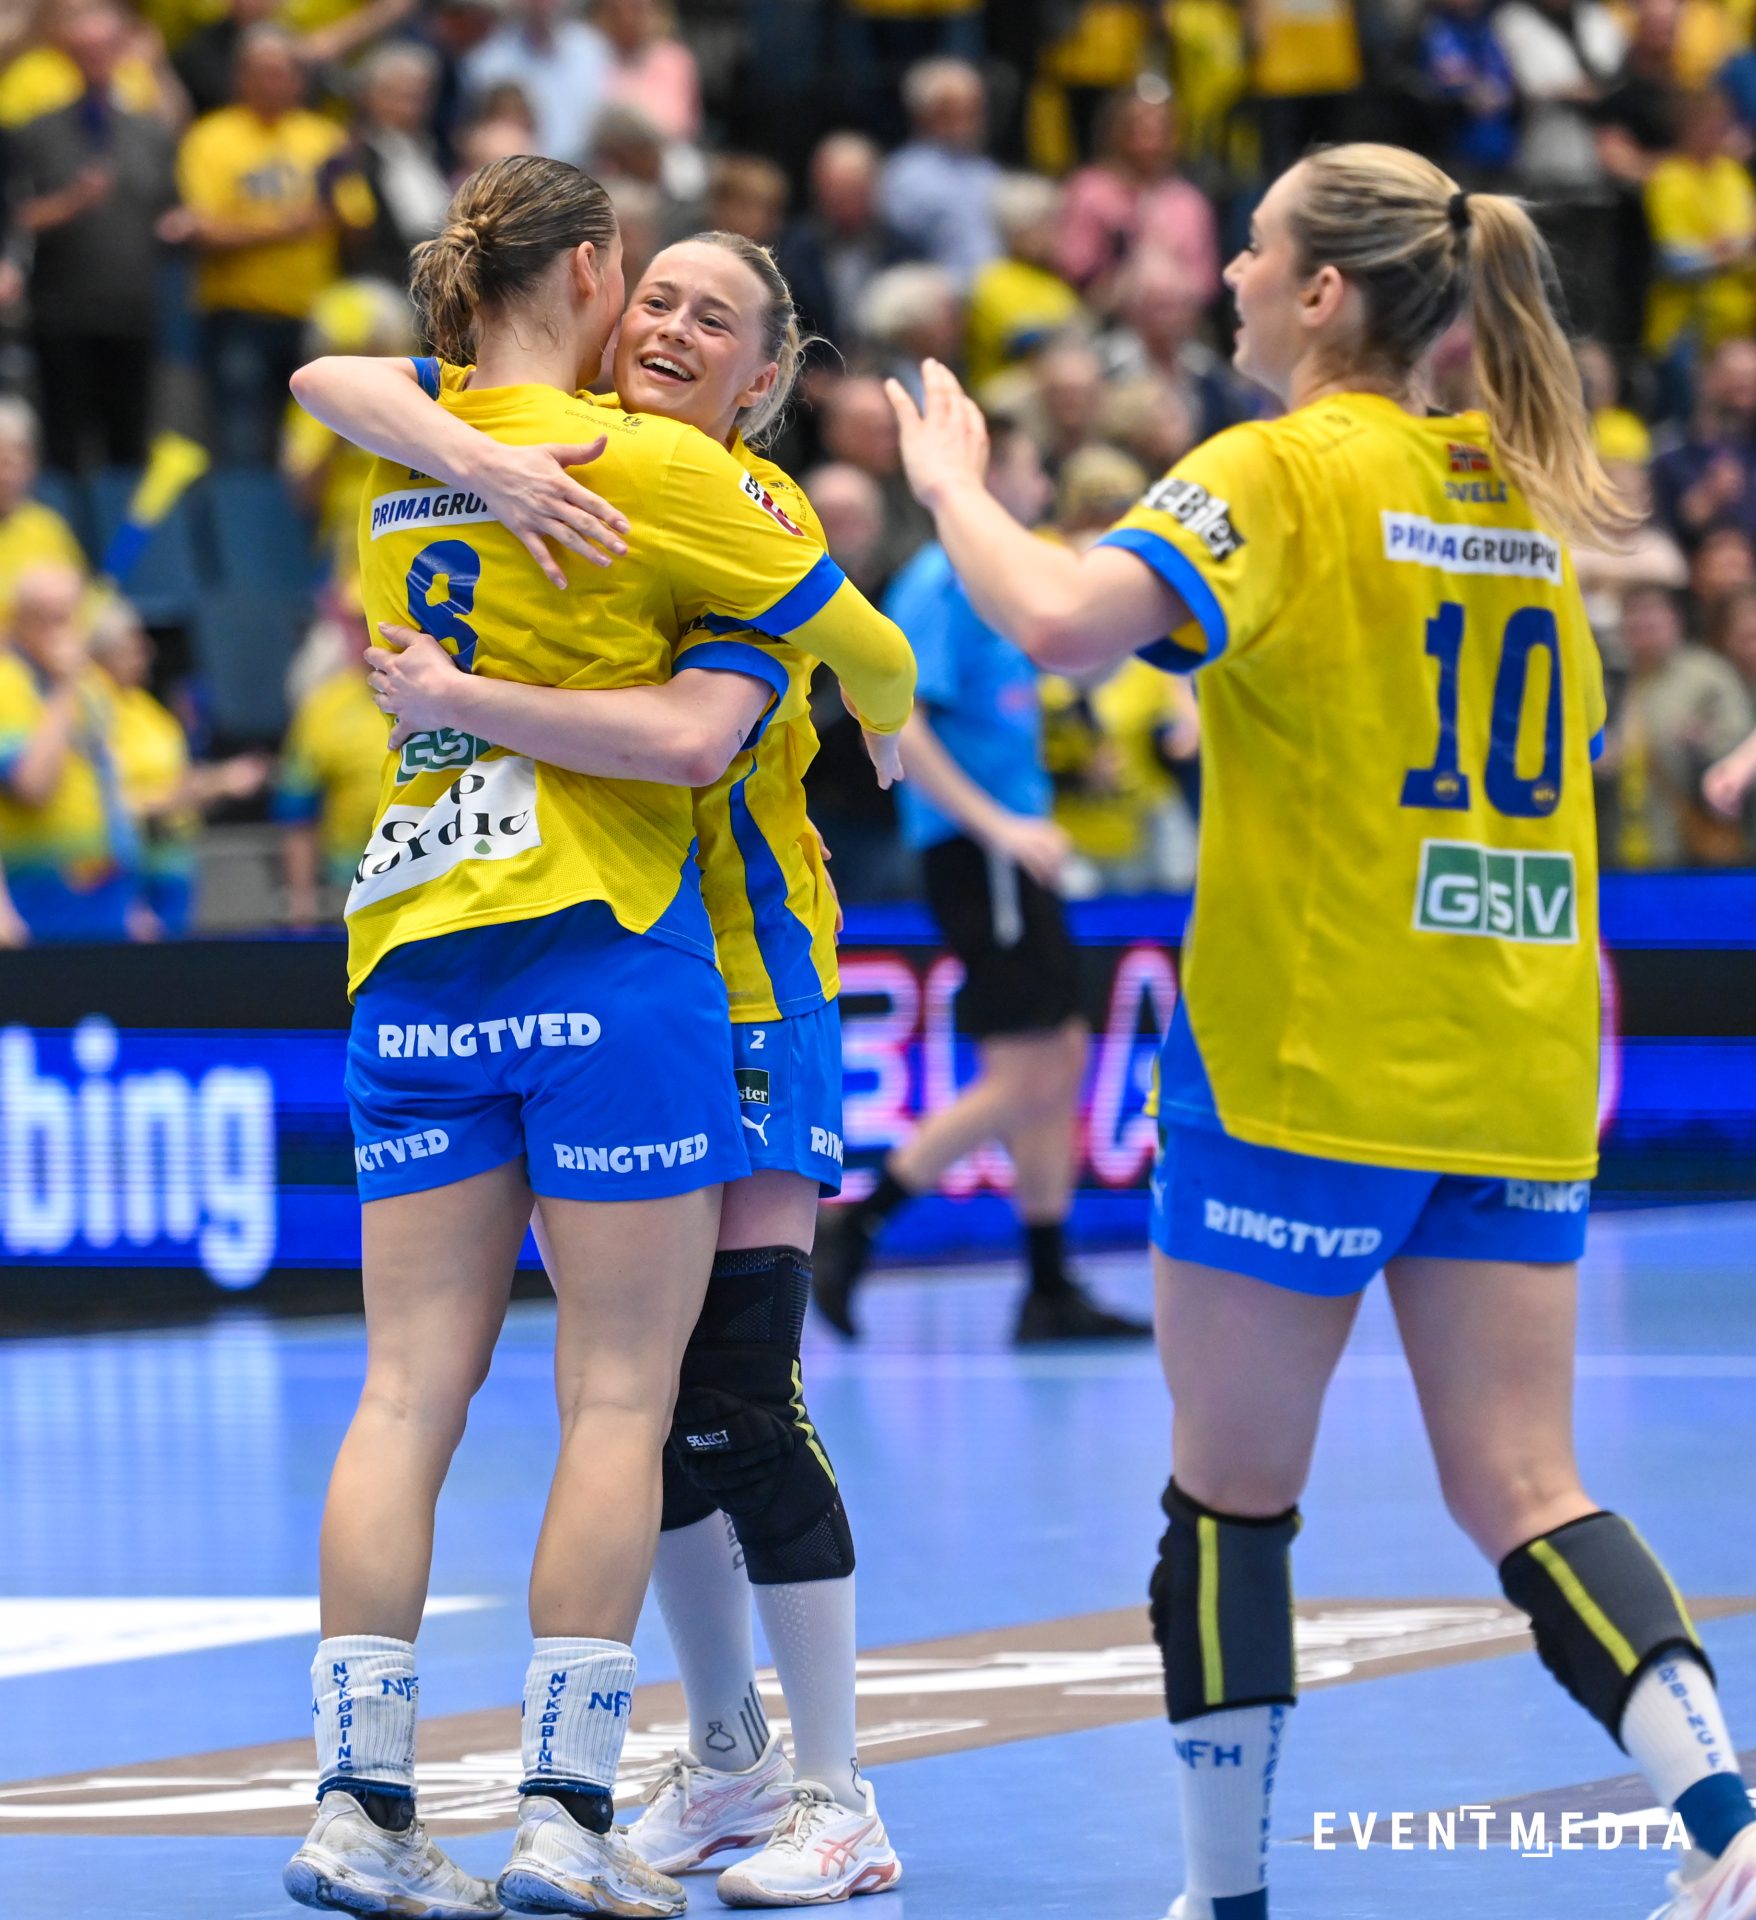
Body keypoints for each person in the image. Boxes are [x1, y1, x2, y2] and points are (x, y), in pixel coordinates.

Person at [881, 144, 1756, 1920]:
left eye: (1254, 247)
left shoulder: (1278, 468)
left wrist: (949, 485)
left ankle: (1226, 1900)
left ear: (1324, 290)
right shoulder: (1521, 495)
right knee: (1526, 1485)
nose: (1227, 275)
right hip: (1511, 1055)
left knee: (1229, 1499)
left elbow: (1056, 624)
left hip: (1307, 1059)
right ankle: (1731, 1828)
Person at [279, 155, 910, 1920]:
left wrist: (455, 656)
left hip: (449, 952)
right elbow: (849, 653)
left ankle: (370, 1806)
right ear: (587, 280)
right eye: (650, 286)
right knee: (632, 1397)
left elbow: (334, 378)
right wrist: (890, 697)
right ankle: (589, 1805)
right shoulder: (643, 471)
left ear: (768, 376)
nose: (666, 318)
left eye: (713, 313)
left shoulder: (414, 458)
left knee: (475, 1391)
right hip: (615, 953)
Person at [815, 417, 1152, 1347]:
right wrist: (995, 824)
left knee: (1059, 1059)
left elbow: (1078, 650)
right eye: (1032, 468)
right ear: (991, 472)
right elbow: (900, 719)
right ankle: (858, 1224)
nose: (1041, 486)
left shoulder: (1001, 576)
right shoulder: (941, 579)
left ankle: (1047, 1283)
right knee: (1034, 1067)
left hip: (1014, 850)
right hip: (980, 849)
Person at [171, 24, 375, 465]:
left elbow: (357, 223)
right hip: (237, 312)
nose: (273, 81)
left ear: (299, 79)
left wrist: (334, 205)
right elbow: (202, 230)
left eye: (283, 71)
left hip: (312, 312)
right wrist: (289, 226)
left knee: (308, 442)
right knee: (241, 441)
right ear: (240, 77)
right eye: (262, 71)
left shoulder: (324, 138)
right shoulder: (211, 137)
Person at [5, 0, 178, 472]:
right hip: (62, 310)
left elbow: (169, 207)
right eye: (86, 49)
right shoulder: (36, 133)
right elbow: (15, 219)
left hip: (134, 308)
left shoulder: (149, 132)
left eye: (106, 47)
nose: (97, 58)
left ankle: (123, 522)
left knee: (130, 443)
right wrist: (71, 203)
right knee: (62, 442)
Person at [89, 595, 266, 935]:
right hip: (125, 874)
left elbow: (176, 780)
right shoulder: (92, 709)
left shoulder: (146, 708)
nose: (147, 654)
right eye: (133, 646)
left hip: (174, 867)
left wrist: (220, 780)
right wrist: (212, 785)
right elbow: (110, 803)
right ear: (100, 653)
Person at [0, 561, 138, 942]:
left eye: (71, 616)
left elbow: (110, 790)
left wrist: (134, 901)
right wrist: (63, 689)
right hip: (37, 897)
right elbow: (32, 787)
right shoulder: (7, 684)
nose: (64, 632)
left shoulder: (91, 686)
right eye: (51, 619)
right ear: (21, 623)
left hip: (105, 894)